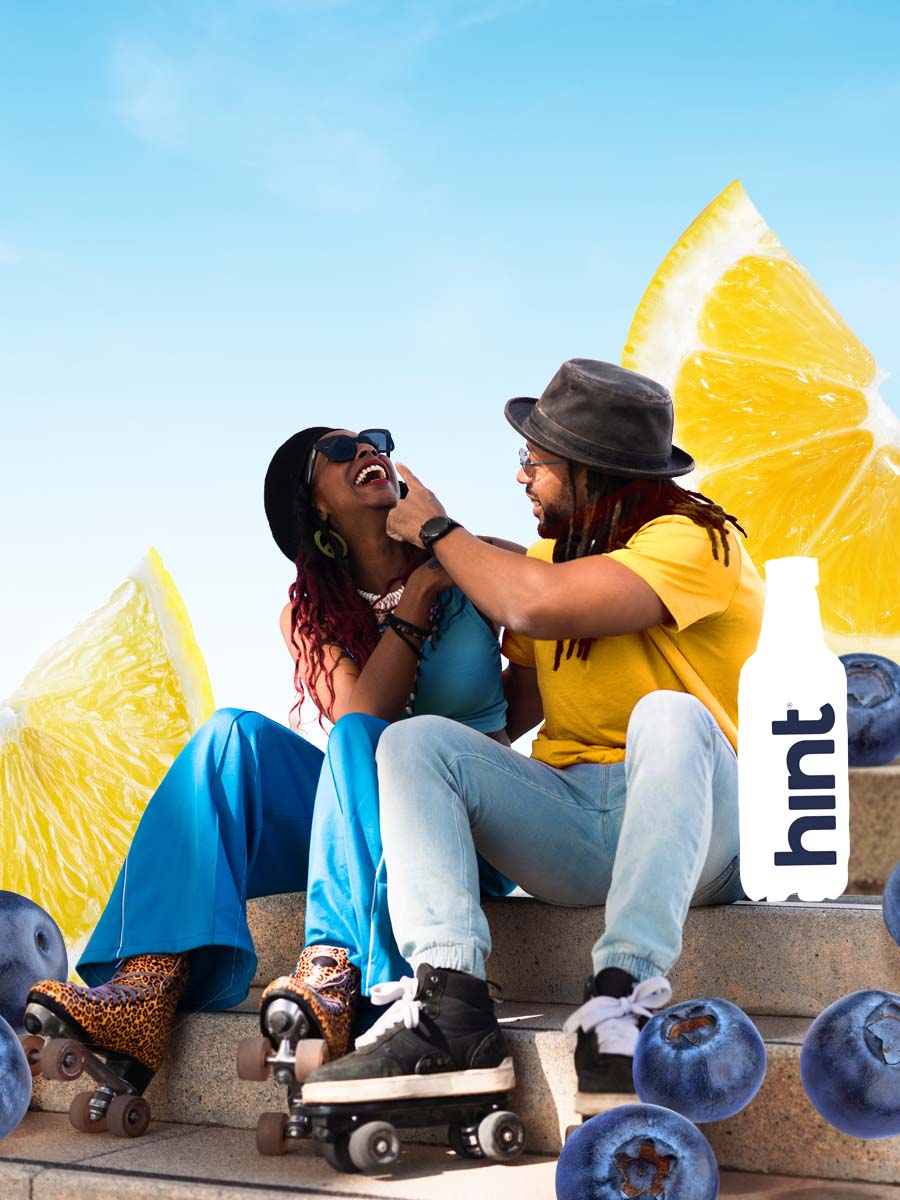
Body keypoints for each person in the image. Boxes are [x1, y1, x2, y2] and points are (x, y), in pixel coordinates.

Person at [297, 359, 765, 1118]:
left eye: (535, 465)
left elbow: (537, 604)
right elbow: (513, 700)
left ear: (589, 473)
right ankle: (449, 1009)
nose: (523, 480)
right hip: (576, 824)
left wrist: (438, 530)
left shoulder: (696, 542)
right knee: (417, 744)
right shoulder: (553, 558)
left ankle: (622, 996)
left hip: (695, 826)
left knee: (668, 712)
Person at [26, 425, 517, 1119]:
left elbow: (539, 664)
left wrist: (442, 555)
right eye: (342, 451)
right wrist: (414, 606)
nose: (370, 450)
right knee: (232, 735)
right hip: (362, 822)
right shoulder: (310, 613)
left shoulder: (470, 555)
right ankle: (147, 983)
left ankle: (340, 966)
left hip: (470, 826)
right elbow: (362, 719)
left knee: (359, 738)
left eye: (376, 439)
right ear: (314, 508)